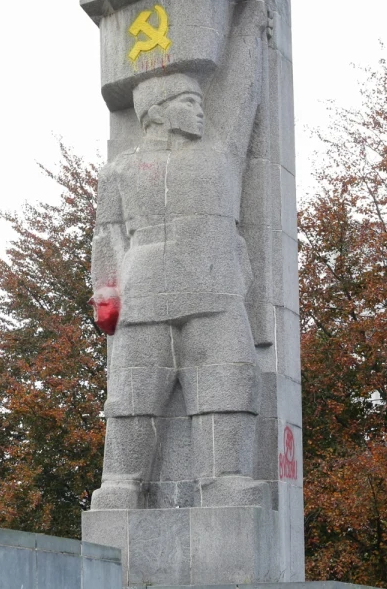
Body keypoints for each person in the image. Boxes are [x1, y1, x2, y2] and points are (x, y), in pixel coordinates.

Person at [90, 71, 263, 509]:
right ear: (156, 112)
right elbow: (107, 237)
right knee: (132, 396)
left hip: (217, 289)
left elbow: (242, 98)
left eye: (201, 100)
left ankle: (225, 478)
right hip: (146, 293)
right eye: (188, 100)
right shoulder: (120, 171)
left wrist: (254, 19)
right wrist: (106, 293)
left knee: (229, 386)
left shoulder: (220, 157)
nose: (200, 108)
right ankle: (121, 483)